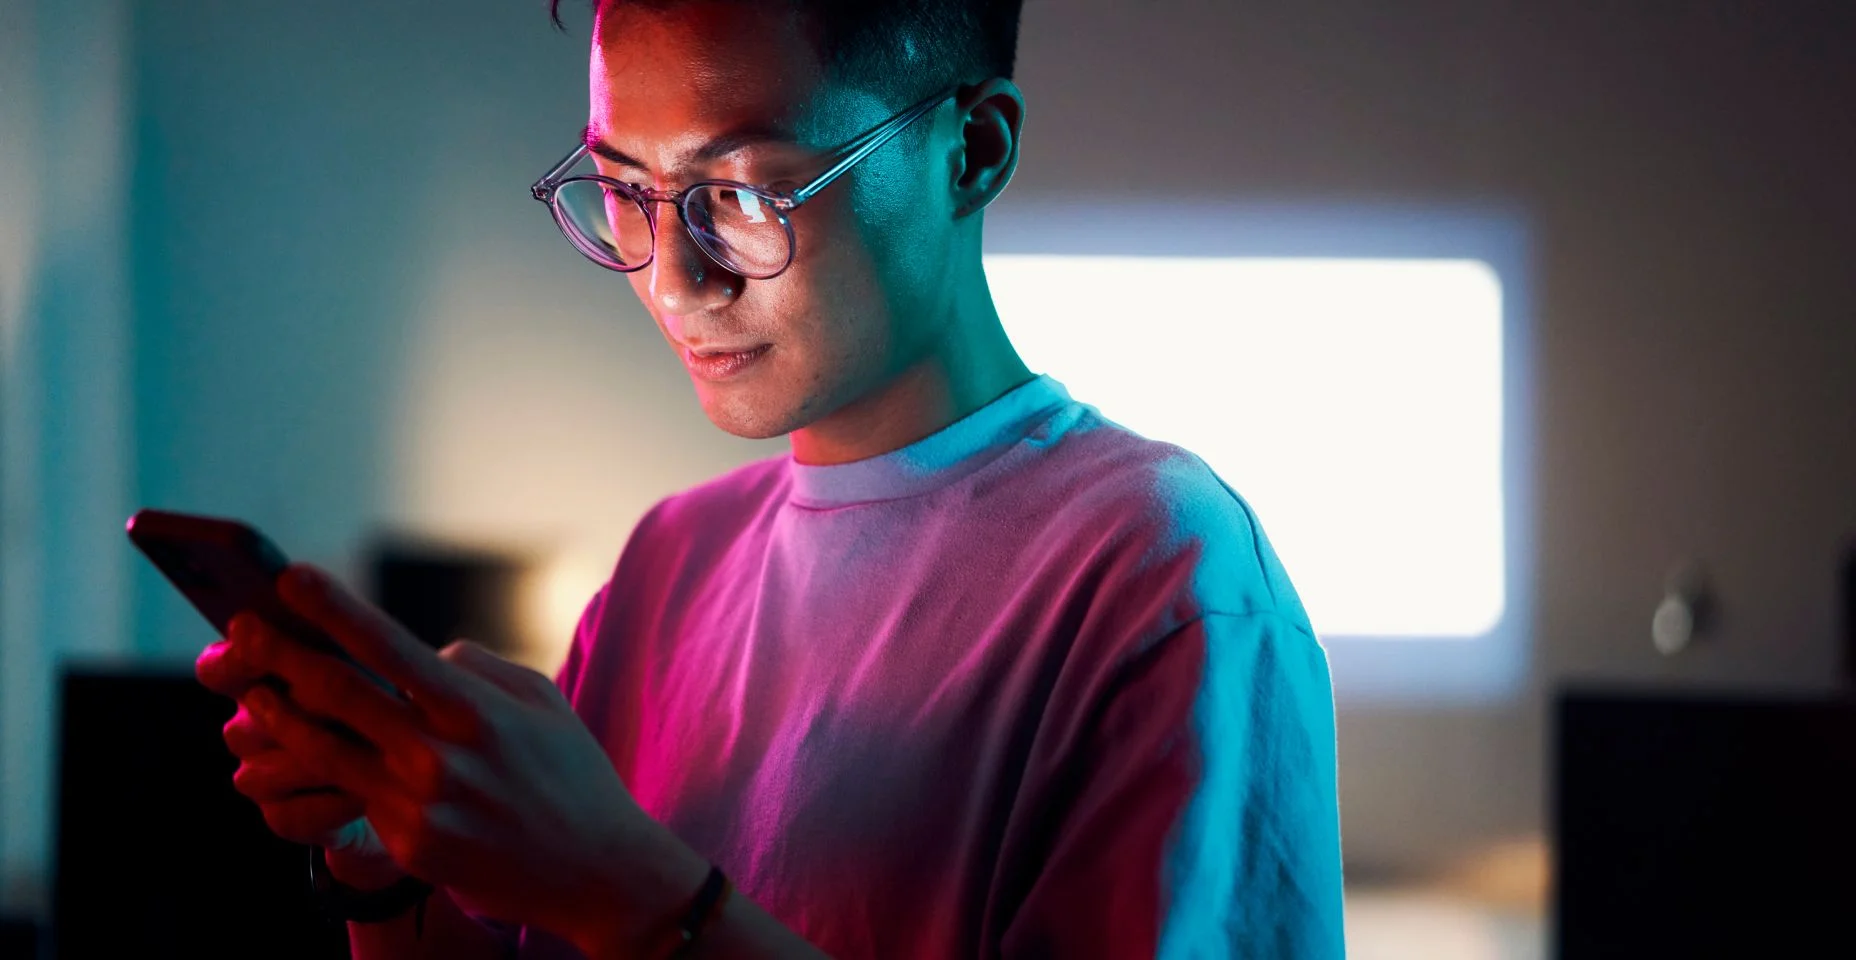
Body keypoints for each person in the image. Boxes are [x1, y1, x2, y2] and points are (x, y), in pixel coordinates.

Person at [194, 0, 1346, 956]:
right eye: (627, 192)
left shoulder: (1158, 572)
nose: (674, 280)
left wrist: (624, 887)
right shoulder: (669, 563)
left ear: (972, 150)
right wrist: (388, 857)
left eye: (741, 195)